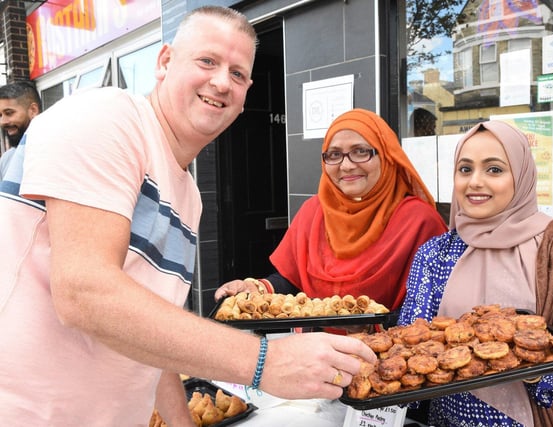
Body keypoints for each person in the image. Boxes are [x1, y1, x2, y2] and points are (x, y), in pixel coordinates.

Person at [0, 6, 377, 426]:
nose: (221, 81)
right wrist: (263, 361)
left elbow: (153, 338)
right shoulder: (107, 118)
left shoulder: (188, 195)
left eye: (237, 73)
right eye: (207, 61)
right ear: (164, 62)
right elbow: (84, 292)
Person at [399, 120, 553, 426]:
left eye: (494, 169)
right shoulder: (434, 254)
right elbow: (409, 351)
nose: (475, 182)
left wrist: (530, 364)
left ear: (521, 175)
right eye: (465, 169)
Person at [215, 108, 447, 312]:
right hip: (318, 354)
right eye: (334, 154)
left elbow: (432, 306)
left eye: (360, 151)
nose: (346, 165)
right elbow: (293, 282)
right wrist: (254, 288)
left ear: (386, 155)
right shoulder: (314, 211)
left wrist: (367, 324)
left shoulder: (419, 221)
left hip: (393, 356)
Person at [0, 81, 41, 179]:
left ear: (33, 110)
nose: (2, 122)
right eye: (0, 115)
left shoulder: (56, 150)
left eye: (9, 113)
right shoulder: (7, 158)